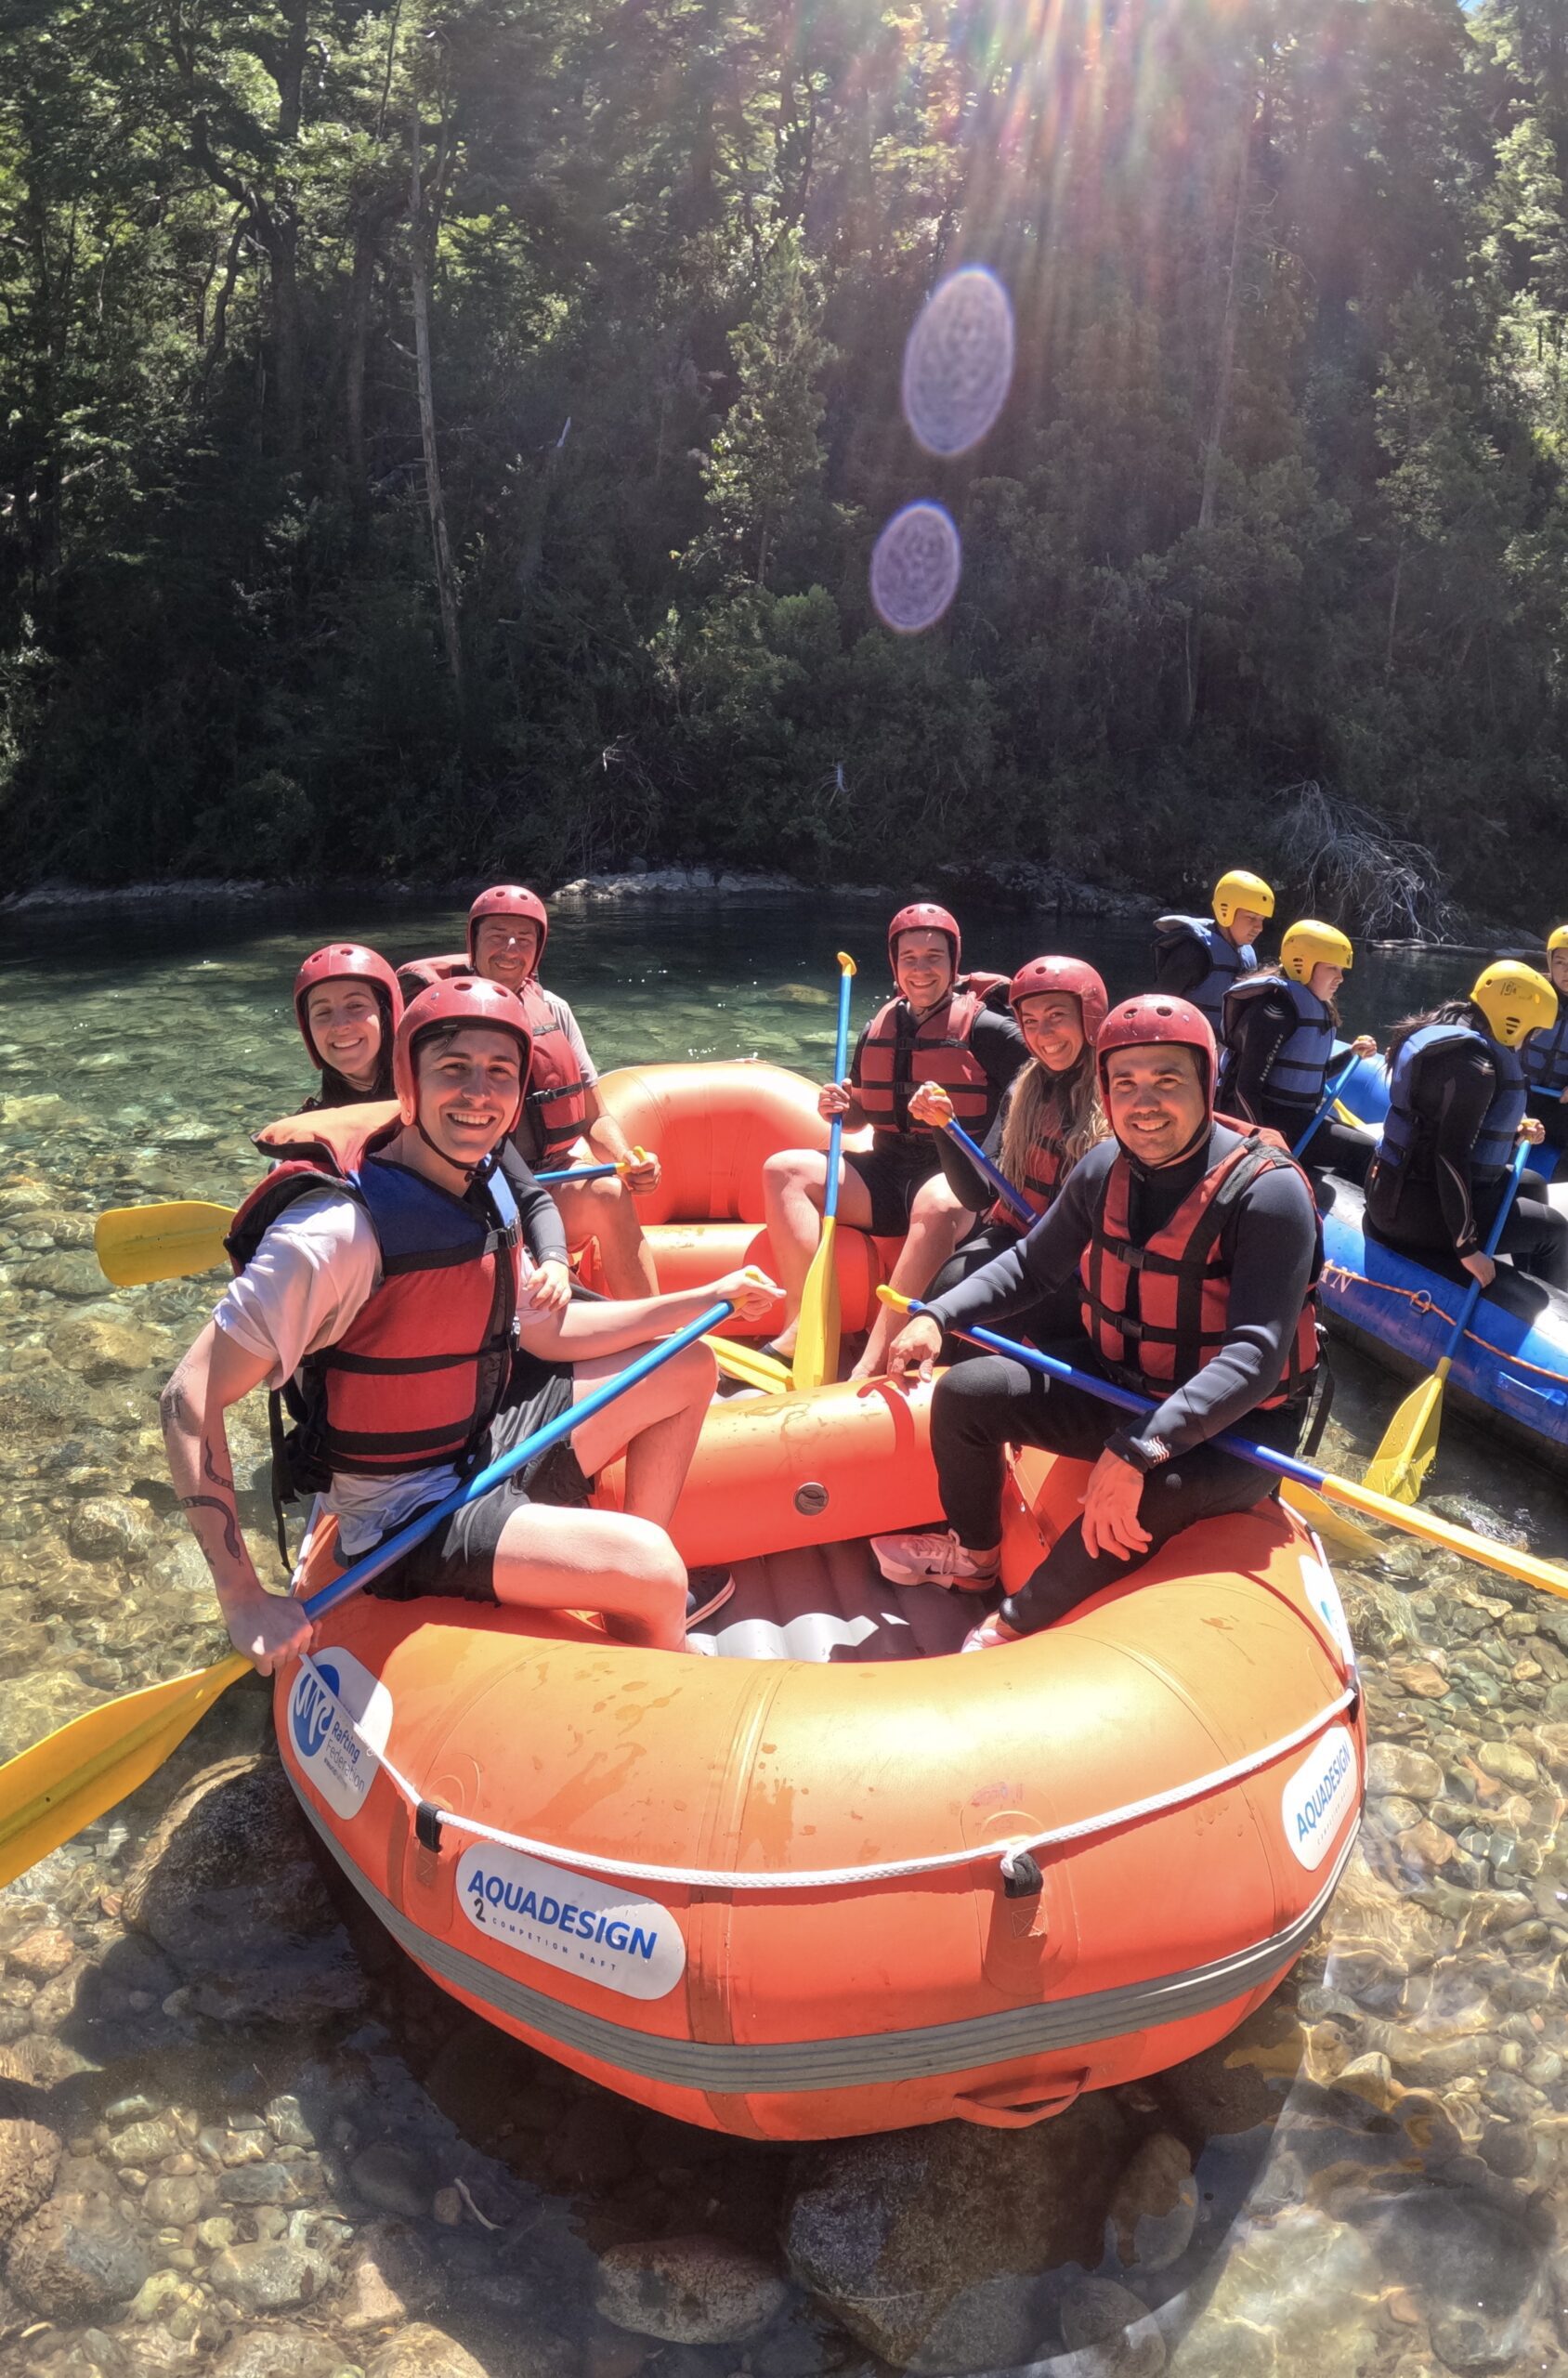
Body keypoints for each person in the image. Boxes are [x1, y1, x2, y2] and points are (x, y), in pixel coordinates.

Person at [160, 977, 779, 1675]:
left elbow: (547, 1334)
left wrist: (706, 1299)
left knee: (690, 1364)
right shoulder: (333, 1236)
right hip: (399, 1513)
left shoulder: (484, 1181)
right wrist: (241, 1595)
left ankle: (618, 1599)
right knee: (659, 1570)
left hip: (483, 1441)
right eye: (454, 1069)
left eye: (500, 1074)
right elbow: (187, 1397)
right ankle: (649, 1621)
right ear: (408, 1083)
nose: (479, 1094)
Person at [869, 995, 1324, 1650]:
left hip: (1235, 1422)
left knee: (1150, 1491)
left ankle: (1014, 1624)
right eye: (1126, 1083)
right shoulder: (1103, 1167)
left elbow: (1255, 1355)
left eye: (1168, 1081)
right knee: (966, 1394)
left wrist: (1141, 1446)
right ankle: (975, 1560)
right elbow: (1031, 1265)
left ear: (1206, 1083)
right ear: (1106, 1091)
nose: (1145, 1102)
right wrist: (939, 1315)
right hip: (1121, 1380)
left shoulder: (1268, 1193)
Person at [760, 904, 1026, 1365]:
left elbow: (1038, 1093)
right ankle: (804, 1324)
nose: (921, 970)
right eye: (909, 959)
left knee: (937, 1201)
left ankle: (873, 1362)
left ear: (954, 962)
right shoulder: (877, 1026)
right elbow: (864, 1115)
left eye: (934, 957)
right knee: (783, 1170)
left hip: (957, 1177)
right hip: (885, 1175)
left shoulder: (988, 1028)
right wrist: (843, 1105)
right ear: (894, 965)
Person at [851, 957, 1109, 1378]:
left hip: (1079, 1268)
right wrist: (945, 1128)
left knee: (1001, 1313)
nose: (1043, 1035)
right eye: (1031, 1021)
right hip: (1020, 1245)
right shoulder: (1024, 1090)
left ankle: (976, 1388)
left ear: (1090, 1017)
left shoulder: (1119, 1100)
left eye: (1057, 1017)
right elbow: (978, 1195)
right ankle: (924, 1389)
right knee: (954, 1278)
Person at [465, 885, 662, 1298]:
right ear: (474, 943)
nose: (510, 949)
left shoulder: (554, 1011)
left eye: (525, 938)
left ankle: (652, 1336)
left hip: (550, 1173)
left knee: (610, 1192)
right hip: (472, 1185)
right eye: (497, 935)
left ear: (538, 951)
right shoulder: (445, 1016)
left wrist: (626, 1157)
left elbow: (595, 1115)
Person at [1365, 962, 1568, 1288]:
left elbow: (1442, 1124)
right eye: (1533, 1031)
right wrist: (1467, 1247)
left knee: (1529, 1183)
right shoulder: (1473, 1067)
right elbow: (1450, 1156)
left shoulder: (1455, 1026)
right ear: (1512, 1021)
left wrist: (1512, 1133)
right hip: (1416, 1209)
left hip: (1402, 1184)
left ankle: (1524, 1285)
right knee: (1555, 1231)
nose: (1532, 1040)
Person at [1217, 921, 1377, 1181]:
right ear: (1302, 964)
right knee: (1367, 1151)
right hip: (1270, 1122)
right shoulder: (1274, 1012)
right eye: (1332, 968)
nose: (1340, 977)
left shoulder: (1308, 1004)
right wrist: (1261, 1146)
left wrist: (1351, 1054)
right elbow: (1245, 1089)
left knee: (1363, 1145)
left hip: (1298, 1118)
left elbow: (1309, 1074)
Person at [1153, 870, 1274, 1031]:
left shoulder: (1248, 954)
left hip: (1223, 1050)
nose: (1259, 928)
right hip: (1188, 1047)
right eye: (1251, 918)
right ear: (1225, 912)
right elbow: (1157, 1011)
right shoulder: (1192, 953)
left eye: (1261, 920)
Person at [294, 944, 402, 1109]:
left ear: (386, 1015)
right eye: (323, 1012)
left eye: (355, 1006)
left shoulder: (436, 1101)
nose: (340, 1025)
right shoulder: (307, 1126)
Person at [1522, 926, 1568, 1167]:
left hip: (1560, 1104)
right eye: (1560, 962)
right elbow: (1472, 1016)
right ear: (1550, 961)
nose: (1567, 971)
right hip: (1518, 1093)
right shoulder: (1529, 992)